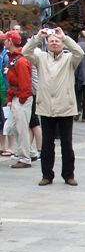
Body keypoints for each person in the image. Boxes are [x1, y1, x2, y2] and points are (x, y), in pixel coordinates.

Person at [22, 26, 84, 186]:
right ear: (47, 43)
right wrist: (38, 37)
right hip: (46, 107)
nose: (54, 43)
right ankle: (47, 175)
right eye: (51, 41)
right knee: (47, 145)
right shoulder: (41, 57)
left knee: (67, 144)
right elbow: (26, 52)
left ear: (62, 44)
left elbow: (80, 52)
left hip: (65, 107)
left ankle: (68, 175)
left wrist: (65, 37)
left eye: (57, 41)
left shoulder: (69, 58)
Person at [3, 31, 33, 169]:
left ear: (10, 41)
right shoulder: (16, 58)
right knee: (17, 127)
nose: (4, 42)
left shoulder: (19, 60)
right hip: (18, 96)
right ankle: (28, 152)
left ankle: (25, 157)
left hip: (20, 97)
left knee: (20, 128)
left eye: (6, 40)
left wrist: (20, 99)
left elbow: (24, 83)